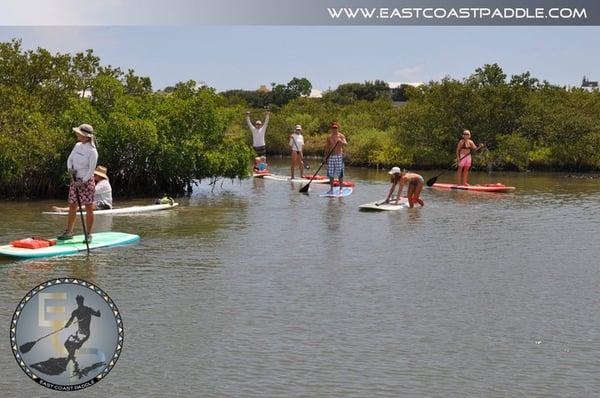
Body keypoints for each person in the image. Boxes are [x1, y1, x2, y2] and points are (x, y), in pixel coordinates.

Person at [57, 124, 98, 242]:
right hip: (74, 179)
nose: (76, 134)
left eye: (79, 133)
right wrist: (70, 169)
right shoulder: (77, 145)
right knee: (72, 206)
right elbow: (70, 159)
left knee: (89, 207)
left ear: (86, 136)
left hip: (86, 181)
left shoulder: (93, 151)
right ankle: (69, 232)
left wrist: (83, 181)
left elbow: (91, 170)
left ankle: (88, 234)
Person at [63, 295, 101, 374]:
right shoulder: (75, 312)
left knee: (72, 346)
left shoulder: (88, 310)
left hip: (85, 332)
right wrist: (67, 325)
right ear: (77, 302)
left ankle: (70, 364)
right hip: (79, 332)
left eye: (80, 300)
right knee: (66, 344)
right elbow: (70, 320)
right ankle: (73, 359)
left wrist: (98, 312)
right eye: (78, 301)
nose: (79, 302)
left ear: (82, 301)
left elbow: (98, 315)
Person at [324, 122, 347, 195]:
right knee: (331, 174)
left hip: (339, 156)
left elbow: (346, 144)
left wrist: (341, 141)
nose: (335, 129)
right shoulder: (329, 137)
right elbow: (327, 147)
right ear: (331, 129)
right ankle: (331, 189)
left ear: (338, 128)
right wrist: (325, 157)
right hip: (331, 157)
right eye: (333, 128)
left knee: (340, 173)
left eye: (336, 128)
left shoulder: (341, 136)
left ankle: (341, 189)